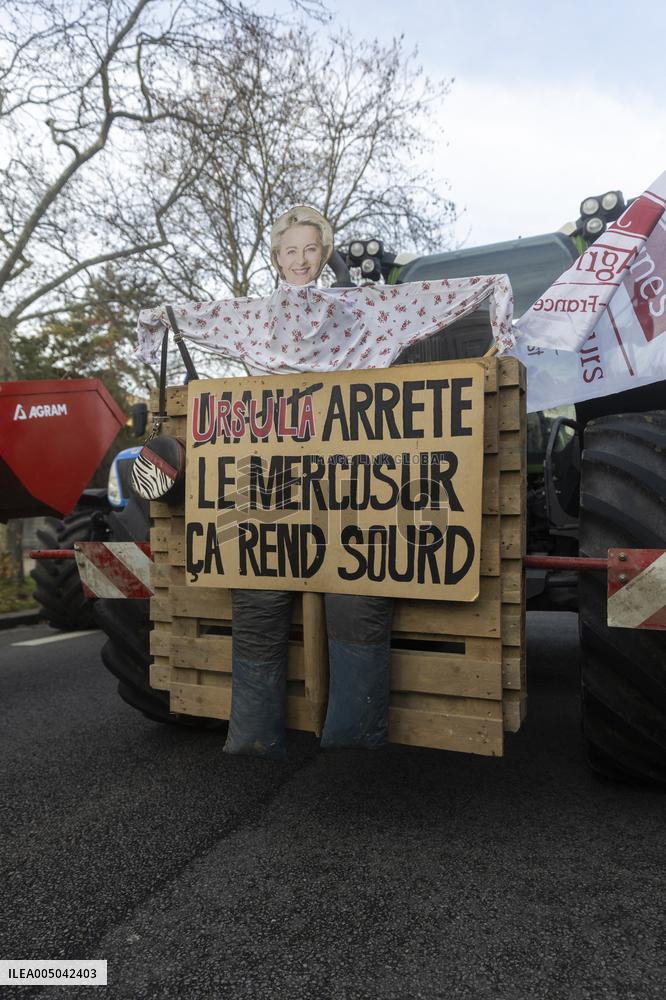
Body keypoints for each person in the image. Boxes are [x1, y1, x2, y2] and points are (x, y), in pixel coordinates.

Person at [136, 206, 515, 758]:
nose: (301, 260)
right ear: (276, 257)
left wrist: (492, 294)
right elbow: (191, 318)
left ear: (325, 252)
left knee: (356, 593)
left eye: (311, 249)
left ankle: (354, 735)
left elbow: (426, 300)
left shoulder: (365, 311)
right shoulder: (251, 319)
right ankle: (256, 734)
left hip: (352, 490)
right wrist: (162, 319)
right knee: (258, 599)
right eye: (290, 250)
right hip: (270, 484)